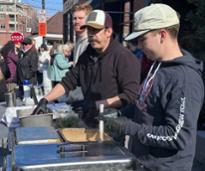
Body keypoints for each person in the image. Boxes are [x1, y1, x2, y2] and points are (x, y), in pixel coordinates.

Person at [110, 3, 204, 171]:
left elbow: (177, 136)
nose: (139, 46)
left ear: (162, 35)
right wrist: (120, 114)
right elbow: (145, 103)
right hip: (142, 163)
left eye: (142, 39)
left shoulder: (184, 79)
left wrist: (129, 128)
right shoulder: (157, 65)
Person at [32, 9, 141, 128]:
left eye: (96, 30)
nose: (91, 34)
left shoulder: (123, 57)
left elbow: (130, 96)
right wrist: (46, 99)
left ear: (108, 31)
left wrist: (96, 104)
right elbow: (68, 81)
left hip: (112, 124)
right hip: (88, 120)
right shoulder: (87, 55)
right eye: (89, 30)